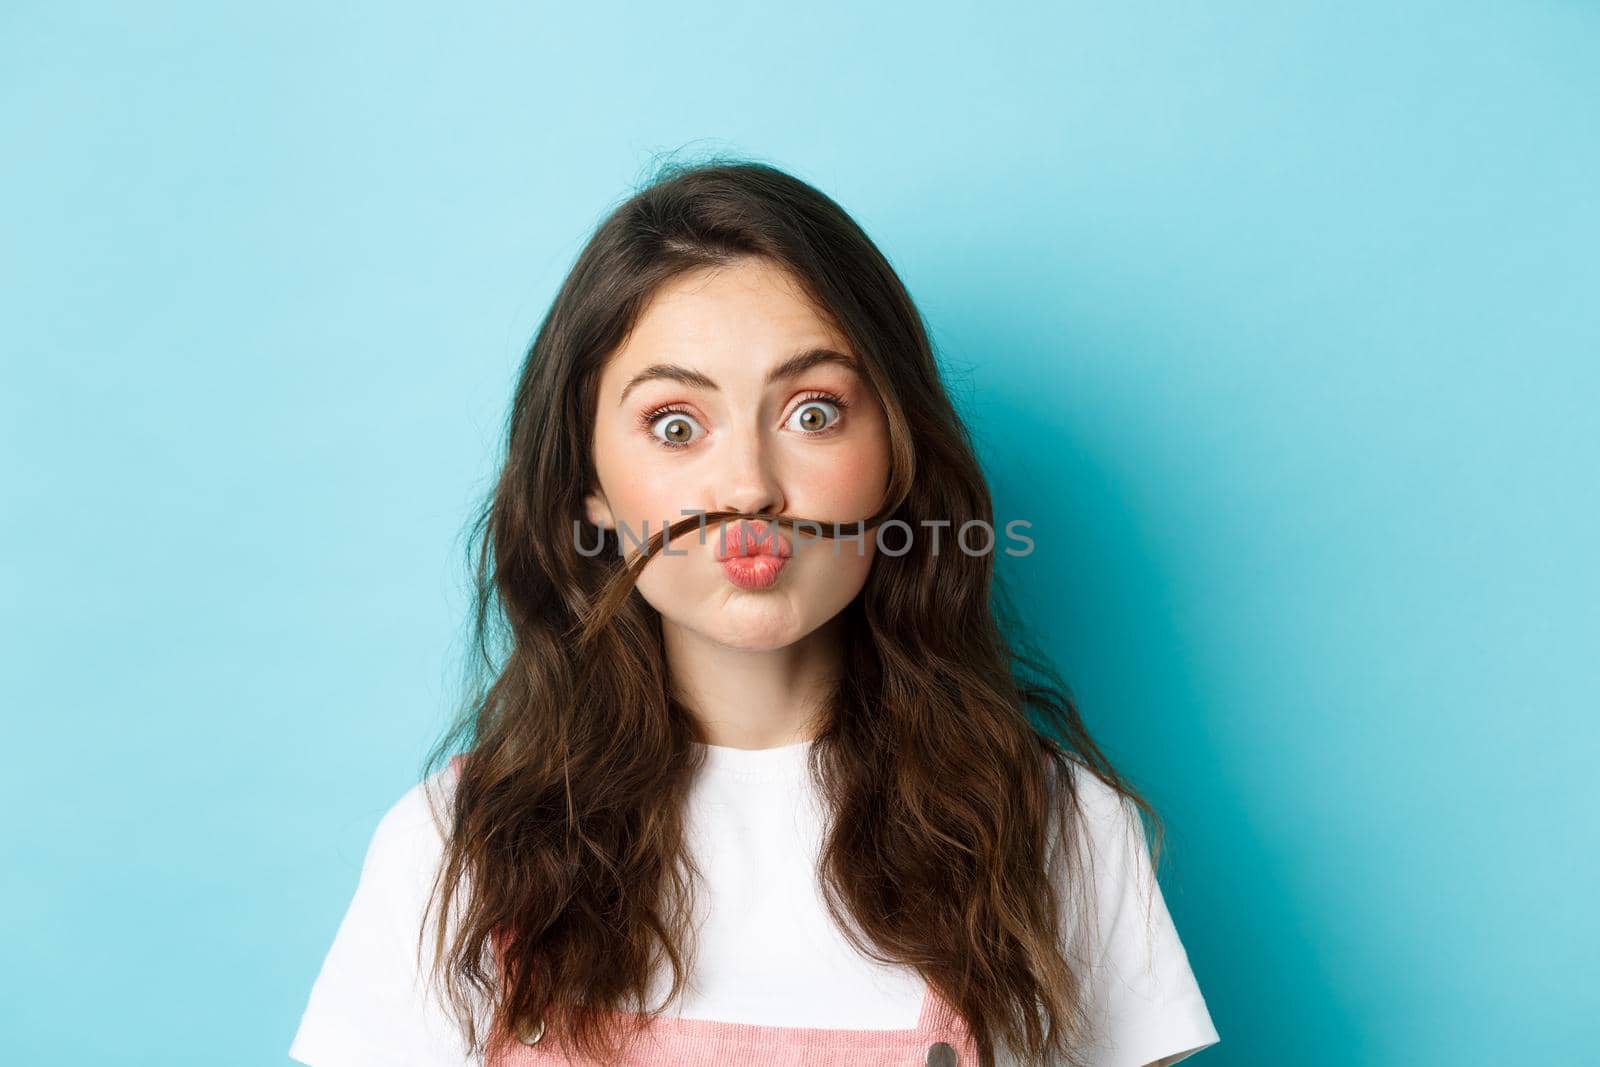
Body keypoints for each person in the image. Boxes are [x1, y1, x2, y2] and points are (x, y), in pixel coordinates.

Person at [288, 158, 1220, 1067]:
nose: (750, 488)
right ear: (589, 490)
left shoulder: (1057, 829)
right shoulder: (454, 845)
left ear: (897, 455)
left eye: (812, 412)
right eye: (676, 424)